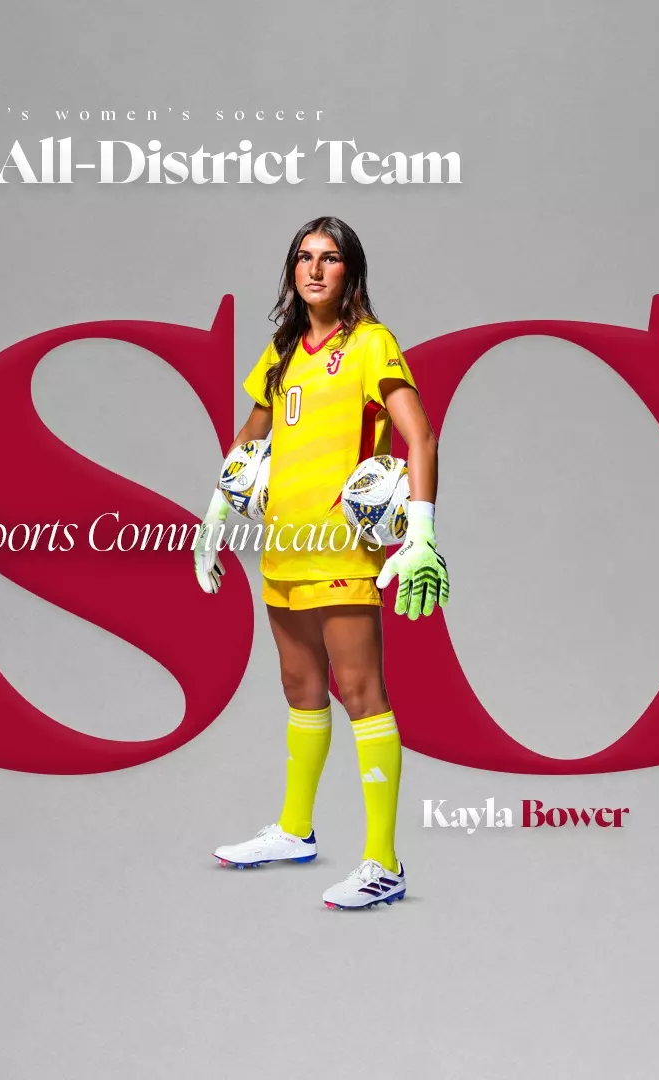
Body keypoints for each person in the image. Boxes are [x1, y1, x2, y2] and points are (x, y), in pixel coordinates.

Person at [193, 216, 450, 910]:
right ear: (291, 273)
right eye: (303, 258)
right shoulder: (282, 354)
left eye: (329, 258)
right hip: (283, 547)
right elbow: (250, 440)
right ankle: (295, 829)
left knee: (362, 694)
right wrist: (215, 517)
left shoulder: (371, 345)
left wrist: (420, 532)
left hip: (343, 552)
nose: (314, 270)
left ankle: (383, 862)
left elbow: (419, 435)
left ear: (349, 272)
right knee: (300, 689)